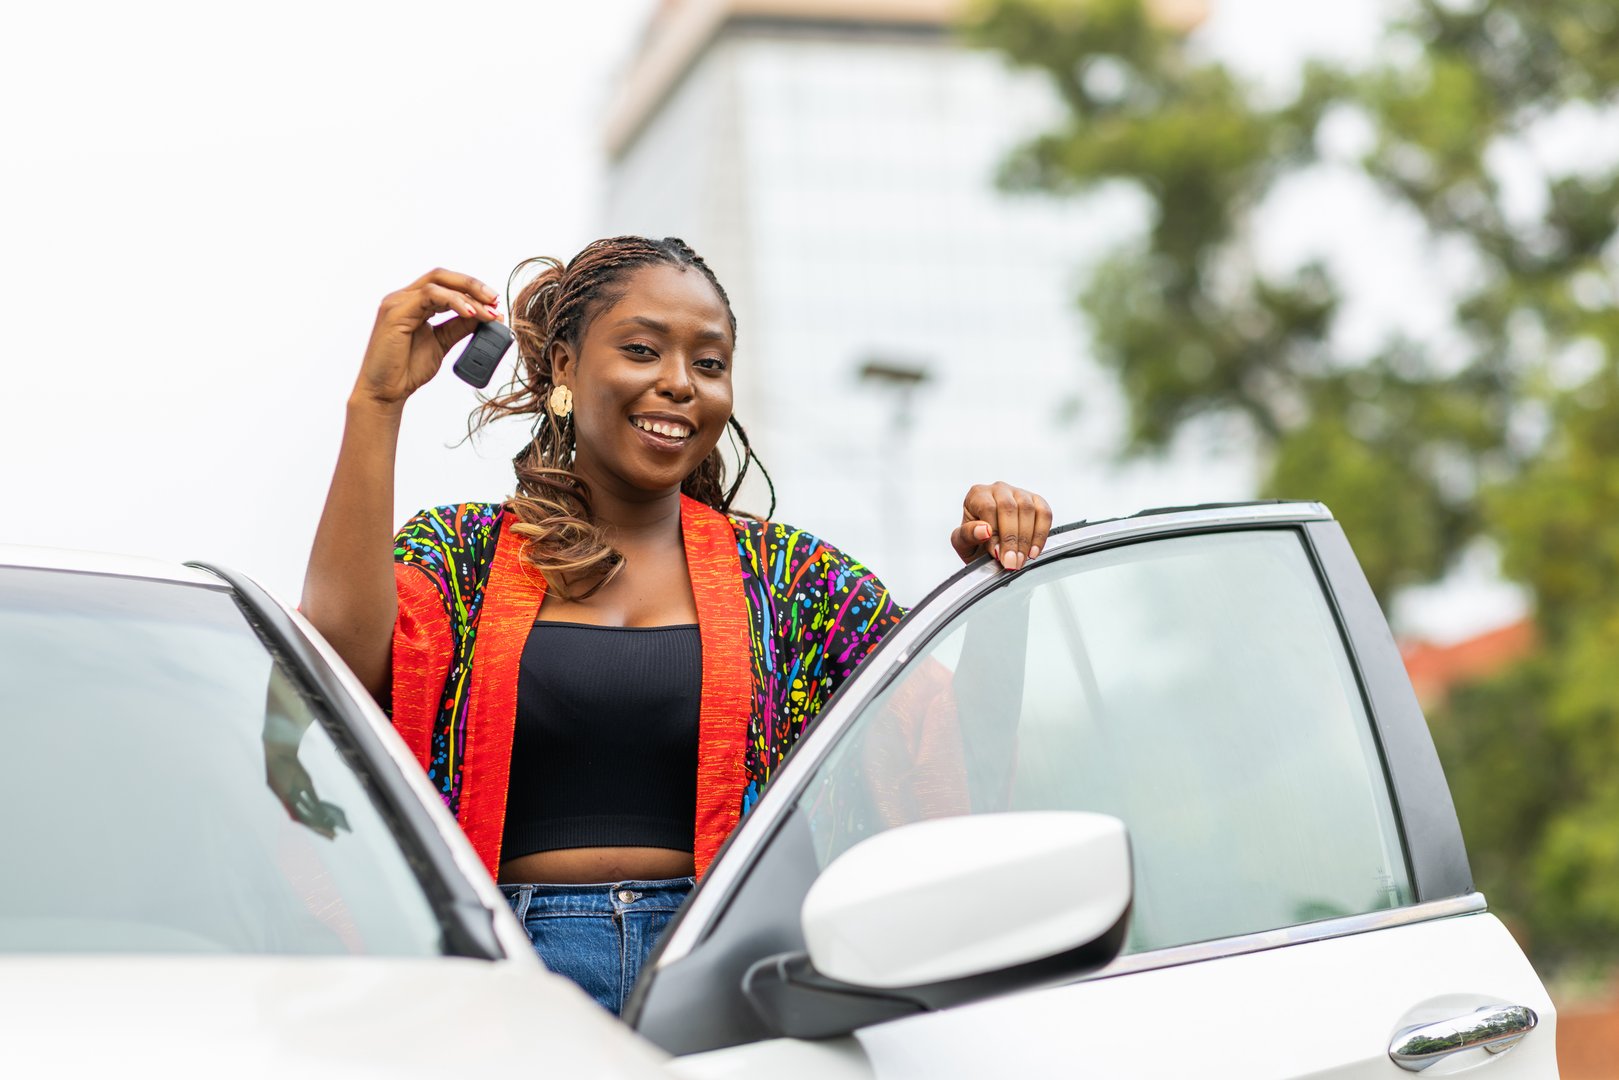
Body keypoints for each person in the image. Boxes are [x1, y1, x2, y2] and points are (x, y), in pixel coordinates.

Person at [301, 236, 1053, 1014]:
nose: (677, 384)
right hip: (509, 975)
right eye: (640, 350)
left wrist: (999, 587)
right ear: (562, 367)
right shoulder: (462, 553)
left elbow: (944, 759)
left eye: (709, 363)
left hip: (729, 972)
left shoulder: (792, 581)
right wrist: (377, 403)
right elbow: (328, 674)